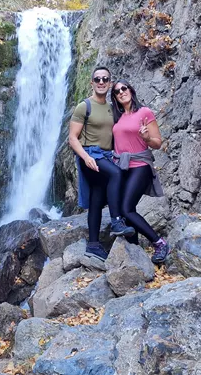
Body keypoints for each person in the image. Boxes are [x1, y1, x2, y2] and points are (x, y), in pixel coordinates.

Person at [68, 67, 134, 265]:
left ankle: (93, 244)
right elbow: (72, 138)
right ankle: (116, 221)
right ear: (92, 82)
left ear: (109, 83)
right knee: (115, 174)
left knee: (97, 196)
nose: (101, 82)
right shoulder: (84, 106)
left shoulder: (111, 107)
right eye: (97, 78)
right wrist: (86, 157)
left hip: (106, 155)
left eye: (105, 79)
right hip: (90, 154)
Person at [110, 79, 169, 264]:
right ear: (115, 97)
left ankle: (160, 243)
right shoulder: (117, 117)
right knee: (124, 210)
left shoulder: (144, 112)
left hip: (140, 165)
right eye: (117, 91)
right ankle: (135, 253)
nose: (121, 92)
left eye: (124, 88)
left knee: (126, 210)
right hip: (122, 166)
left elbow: (158, 143)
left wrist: (146, 138)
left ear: (131, 90)